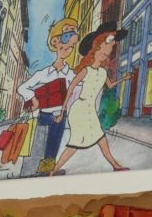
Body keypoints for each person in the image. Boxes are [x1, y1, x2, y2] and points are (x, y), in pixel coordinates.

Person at [53, 24, 127, 174]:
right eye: (102, 51)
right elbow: (71, 88)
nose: (105, 54)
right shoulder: (86, 71)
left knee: (101, 138)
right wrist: (62, 111)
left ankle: (116, 166)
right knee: (75, 144)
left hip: (90, 109)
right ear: (95, 50)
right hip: (79, 109)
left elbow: (110, 85)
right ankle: (52, 171)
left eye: (107, 53)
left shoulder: (103, 72)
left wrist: (123, 79)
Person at [15, 17, 78, 176]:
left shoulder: (71, 75)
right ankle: (28, 176)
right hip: (44, 116)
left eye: (70, 47)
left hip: (60, 117)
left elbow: (77, 95)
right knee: (36, 149)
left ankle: (46, 175)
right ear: (55, 43)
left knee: (52, 150)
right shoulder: (44, 73)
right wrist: (33, 98)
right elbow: (22, 88)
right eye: (64, 44)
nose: (67, 49)